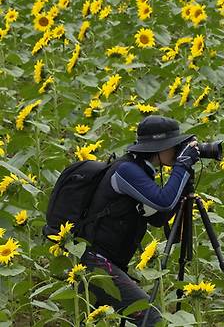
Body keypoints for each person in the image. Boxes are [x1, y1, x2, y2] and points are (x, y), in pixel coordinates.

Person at [77, 115, 200, 327]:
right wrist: (183, 165)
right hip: (94, 262)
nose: (178, 150)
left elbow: (158, 218)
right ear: (159, 147)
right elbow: (163, 201)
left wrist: (182, 187)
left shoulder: (141, 170)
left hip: (108, 261)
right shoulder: (126, 171)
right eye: (174, 145)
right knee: (149, 316)